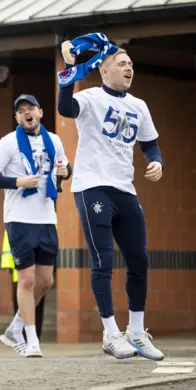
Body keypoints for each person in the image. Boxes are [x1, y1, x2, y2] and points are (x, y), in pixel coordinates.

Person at [58, 40, 164, 360]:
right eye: (121, 63)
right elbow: (65, 109)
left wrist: (155, 161)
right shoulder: (90, 97)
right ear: (103, 70)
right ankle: (110, 333)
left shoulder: (139, 105)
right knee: (103, 260)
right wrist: (68, 74)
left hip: (125, 189)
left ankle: (136, 331)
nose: (129, 67)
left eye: (131, 63)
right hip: (92, 186)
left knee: (139, 260)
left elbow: (150, 144)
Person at [0, 95, 71, 357]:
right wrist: (18, 181)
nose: (26, 113)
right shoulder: (8, 143)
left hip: (47, 217)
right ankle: (31, 340)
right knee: (27, 280)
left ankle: (15, 327)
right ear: (17, 118)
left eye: (30, 109)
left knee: (46, 281)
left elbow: (64, 169)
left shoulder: (54, 140)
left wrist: (66, 172)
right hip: (19, 218)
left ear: (40, 112)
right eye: (21, 111)